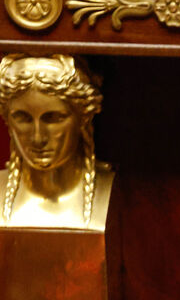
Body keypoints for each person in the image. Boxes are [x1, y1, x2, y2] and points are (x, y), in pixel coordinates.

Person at [0, 53, 106, 228]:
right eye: (23, 118)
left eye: (53, 118)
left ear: (83, 118)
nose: (38, 137)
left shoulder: (117, 195)